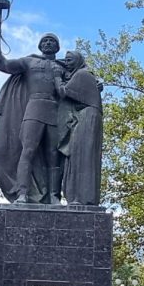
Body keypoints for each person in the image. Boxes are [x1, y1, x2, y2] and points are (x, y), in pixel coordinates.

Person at [0, 21, 65, 204]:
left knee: (53, 155)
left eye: (52, 41)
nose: (48, 43)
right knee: (28, 151)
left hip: (55, 113)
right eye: (45, 41)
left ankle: (54, 197)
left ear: (57, 46)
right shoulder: (29, 62)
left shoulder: (64, 67)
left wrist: (95, 86)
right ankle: (22, 194)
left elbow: (82, 81)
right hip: (33, 109)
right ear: (40, 46)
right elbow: (1, 63)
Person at [55, 50, 103, 205]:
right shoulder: (85, 75)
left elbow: (63, 92)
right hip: (85, 117)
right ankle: (78, 197)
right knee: (77, 157)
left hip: (86, 118)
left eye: (70, 60)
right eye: (66, 60)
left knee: (82, 158)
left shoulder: (82, 75)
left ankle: (81, 198)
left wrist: (56, 77)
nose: (67, 62)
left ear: (78, 61)